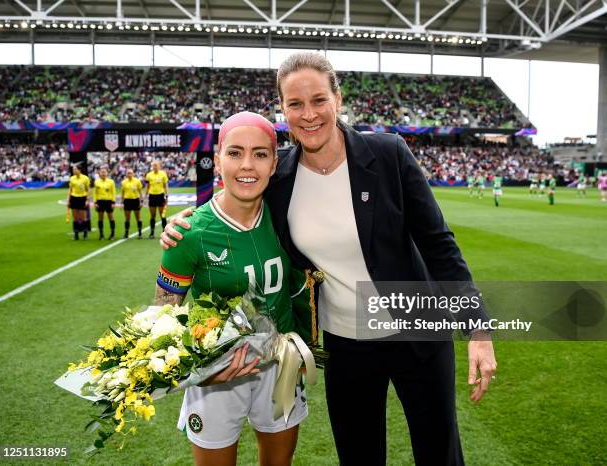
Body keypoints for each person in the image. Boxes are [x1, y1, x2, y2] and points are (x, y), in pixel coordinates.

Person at [161, 52, 497, 466]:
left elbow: (439, 245)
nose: (309, 114)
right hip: (346, 345)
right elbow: (236, 201)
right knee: (358, 456)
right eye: (295, 104)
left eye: (319, 100)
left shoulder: (388, 153)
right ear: (282, 110)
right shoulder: (280, 175)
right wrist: (185, 222)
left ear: (338, 99)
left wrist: (478, 327)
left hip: (419, 333)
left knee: (439, 452)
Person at [154, 112, 310, 466]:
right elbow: (162, 318)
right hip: (217, 375)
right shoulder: (187, 234)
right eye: (235, 153)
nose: (247, 165)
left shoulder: (289, 217)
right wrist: (198, 370)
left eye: (260, 154)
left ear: (274, 163)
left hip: (280, 365)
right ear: (218, 157)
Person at [145, 160, 169, 239]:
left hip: (160, 196)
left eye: (156, 165)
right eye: (154, 165)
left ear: (159, 166)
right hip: (152, 196)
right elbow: (147, 186)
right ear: (152, 166)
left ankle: (165, 232)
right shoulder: (149, 175)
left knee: (162, 215)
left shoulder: (163, 174)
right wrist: (145, 195)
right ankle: (152, 233)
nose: (155, 167)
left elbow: (165, 185)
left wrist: (167, 194)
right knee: (152, 215)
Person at [67, 164, 91, 240]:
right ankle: (76, 234)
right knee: (75, 217)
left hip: (82, 198)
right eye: (73, 169)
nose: (74, 171)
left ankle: (85, 234)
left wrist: (87, 199)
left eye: (75, 169)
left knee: (83, 217)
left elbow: (88, 190)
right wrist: (68, 199)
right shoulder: (72, 178)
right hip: (74, 198)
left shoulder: (85, 178)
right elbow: (70, 190)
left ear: (79, 170)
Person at [94, 165, 116, 240]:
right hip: (100, 202)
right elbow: (95, 193)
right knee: (100, 218)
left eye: (104, 172)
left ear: (107, 173)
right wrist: (95, 202)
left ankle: (112, 234)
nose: (103, 173)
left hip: (109, 201)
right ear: (99, 173)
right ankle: (101, 235)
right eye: (102, 172)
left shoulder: (111, 182)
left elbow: (113, 192)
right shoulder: (97, 182)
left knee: (111, 217)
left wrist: (113, 202)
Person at [121, 168, 144, 239]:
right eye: (128, 173)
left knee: (138, 218)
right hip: (127, 201)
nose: (129, 174)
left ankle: (140, 233)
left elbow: (140, 191)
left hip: (135, 200)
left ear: (133, 174)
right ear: (126, 174)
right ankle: (126, 233)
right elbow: (123, 192)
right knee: (127, 218)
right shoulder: (124, 182)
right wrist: (122, 202)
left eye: (131, 173)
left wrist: (141, 200)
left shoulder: (137, 181)